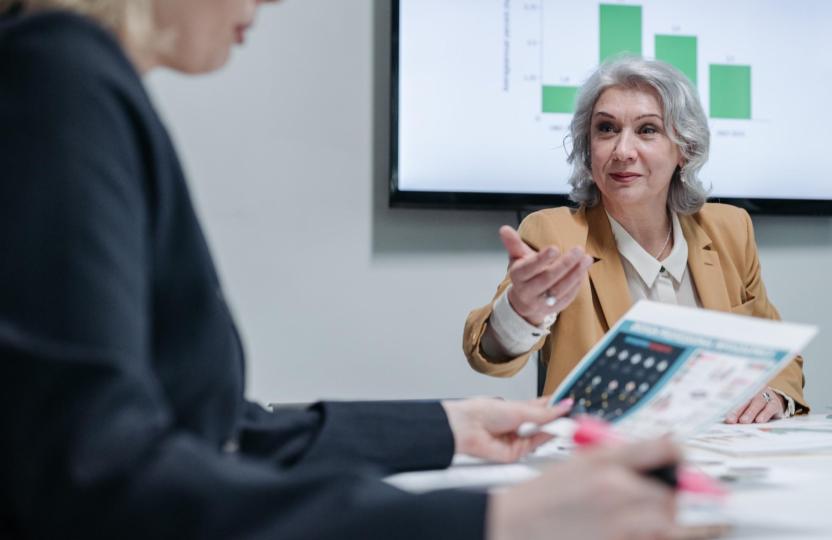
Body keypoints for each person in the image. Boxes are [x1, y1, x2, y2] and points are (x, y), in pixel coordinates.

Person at [0, 1, 681, 538]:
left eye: (649, 131)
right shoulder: (58, 78)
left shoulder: (77, 80)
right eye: (608, 129)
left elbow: (216, 436)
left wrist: (447, 426)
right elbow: (94, 473)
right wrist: (493, 523)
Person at [464, 57, 807, 424]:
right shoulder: (554, 234)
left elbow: (777, 354)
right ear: (588, 147)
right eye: (607, 129)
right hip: (602, 461)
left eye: (647, 130)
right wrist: (520, 312)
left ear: (684, 148)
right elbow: (489, 354)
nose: (623, 151)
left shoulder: (730, 230)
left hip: (719, 456)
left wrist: (775, 394)